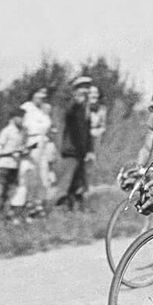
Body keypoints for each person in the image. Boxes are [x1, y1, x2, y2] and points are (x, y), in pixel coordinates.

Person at [57, 76, 95, 211]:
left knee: (78, 181)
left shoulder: (86, 108)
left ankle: (73, 207)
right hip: (71, 150)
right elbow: (68, 114)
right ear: (75, 90)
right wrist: (75, 102)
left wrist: (90, 150)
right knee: (66, 181)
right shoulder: (73, 106)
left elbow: (87, 132)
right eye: (83, 88)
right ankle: (60, 207)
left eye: (87, 88)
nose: (86, 91)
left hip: (81, 151)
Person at [0, 108, 26, 221]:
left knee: (9, 192)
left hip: (14, 166)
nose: (23, 120)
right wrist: (9, 153)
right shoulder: (6, 131)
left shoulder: (21, 132)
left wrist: (21, 151)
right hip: (3, 165)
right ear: (14, 118)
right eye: (21, 117)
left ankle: (3, 213)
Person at [19, 87, 53, 218]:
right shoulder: (27, 108)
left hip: (44, 142)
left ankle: (38, 204)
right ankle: (27, 204)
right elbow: (22, 128)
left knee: (44, 174)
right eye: (39, 94)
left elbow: (48, 127)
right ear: (33, 94)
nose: (42, 97)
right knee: (31, 174)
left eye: (44, 95)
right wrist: (22, 145)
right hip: (32, 141)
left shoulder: (44, 110)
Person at [88, 85, 107, 150]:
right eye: (91, 93)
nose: (93, 95)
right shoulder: (83, 107)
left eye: (95, 93)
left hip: (96, 135)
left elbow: (103, 125)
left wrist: (99, 132)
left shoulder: (102, 109)